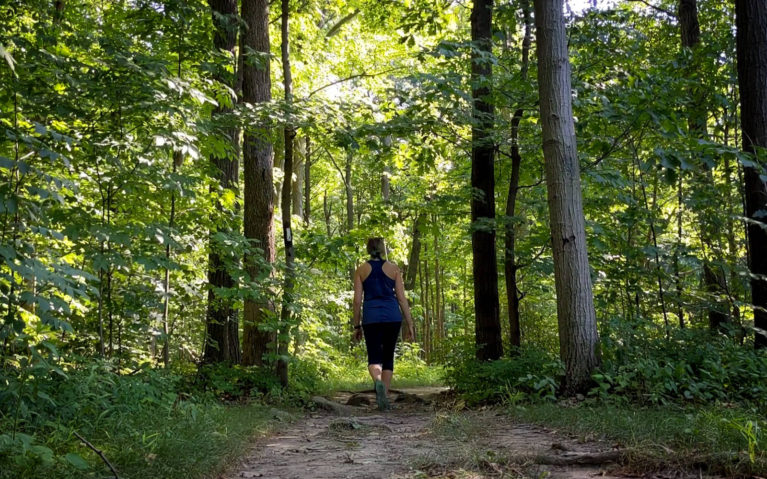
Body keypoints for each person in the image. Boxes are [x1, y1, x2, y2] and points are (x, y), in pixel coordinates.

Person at [352, 237, 415, 411]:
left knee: (374, 357)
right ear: (383, 249)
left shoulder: (361, 270)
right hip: (392, 316)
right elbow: (402, 299)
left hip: (371, 317)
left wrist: (356, 325)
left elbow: (357, 301)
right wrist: (409, 323)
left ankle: (378, 383)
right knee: (388, 357)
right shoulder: (394, 269)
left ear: (367, 249)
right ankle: (384, 399)